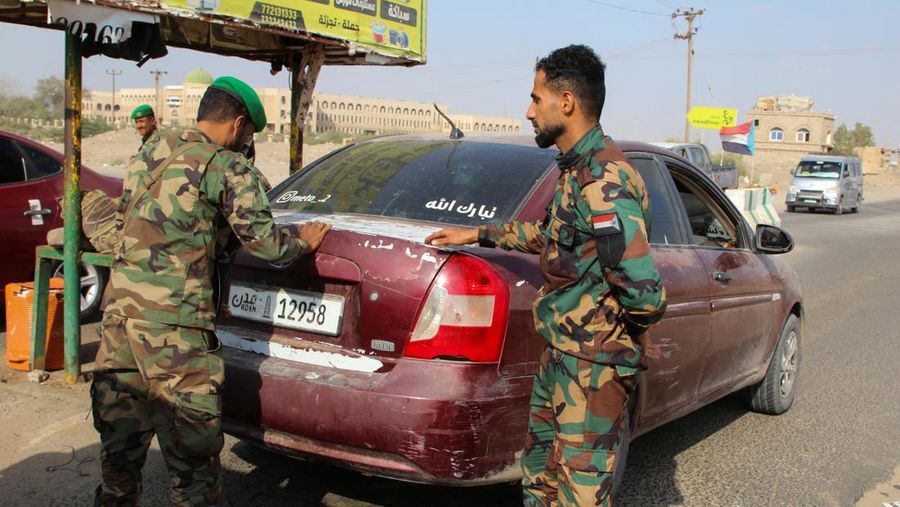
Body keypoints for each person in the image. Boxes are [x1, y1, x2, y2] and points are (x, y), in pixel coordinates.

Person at [425, 45, 666, 506]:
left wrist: (622, 342)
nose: (528, 111)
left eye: (537, 99)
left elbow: (644, 290)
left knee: (581, 492)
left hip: (593, 366)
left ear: (567, 102)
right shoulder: (576, 172)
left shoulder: (605, 180)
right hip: (563, 353)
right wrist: (478, 233)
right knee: (540, 475)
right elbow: (554, 236)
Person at [91, 76, 332, 506]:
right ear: (239, 124)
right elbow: (268, 245)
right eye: (249, 135)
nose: (247, 143)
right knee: (194, 465)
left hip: (119, 323)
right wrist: (304, 242)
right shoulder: (228, 166)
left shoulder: (151, 149)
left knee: (119, 452)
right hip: (176, 334)